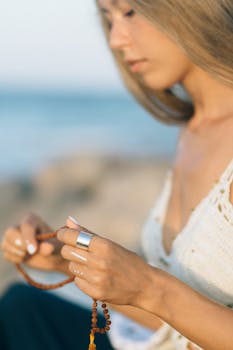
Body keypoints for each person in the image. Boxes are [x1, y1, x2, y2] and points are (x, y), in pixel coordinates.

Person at [1, 0, 233, 349]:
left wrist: (149, 287)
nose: (116, 39)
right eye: (108, 19)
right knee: (22, 307)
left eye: (129, 12)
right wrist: (70, 263)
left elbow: (161, 298)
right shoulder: (193, 132)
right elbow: (178, 321)